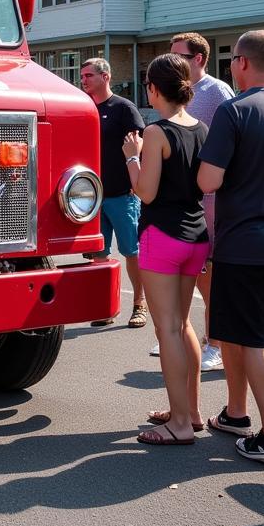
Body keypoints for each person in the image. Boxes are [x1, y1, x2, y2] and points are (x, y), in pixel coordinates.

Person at [123, 54, 209, 445]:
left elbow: (145, 192)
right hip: (196, 235)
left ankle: (178, 425)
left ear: (154, 89)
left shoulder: (157, 133)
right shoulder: (201, 127)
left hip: (163, 237)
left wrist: (132, 157)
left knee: (167, 328)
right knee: (185, 325)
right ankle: (189, 412)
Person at [198, 30, 264, 462]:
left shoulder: (234, 110)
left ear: (241, 62)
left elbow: (208, 180)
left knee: (253, 340)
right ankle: (235, 414)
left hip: (243, 241)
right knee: (241, 335)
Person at [156, 32, 234, 371]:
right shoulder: (178, 93)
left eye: (180, 55)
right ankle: (179, 336)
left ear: (199, 59)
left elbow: (232, 140)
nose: (174, 60)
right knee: (189, 276)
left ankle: (214, 343)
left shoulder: (217, 91)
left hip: (212, 199)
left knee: (209, 276)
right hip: (183, 201)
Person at [80, 57, 147, 327]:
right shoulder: (84, 108)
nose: (83, 80)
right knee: (99, 255)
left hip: (122, 194)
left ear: (105, 77)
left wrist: (136, 176)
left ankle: (139, 306)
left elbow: (138, 144)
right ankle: (106, 308)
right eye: (82, 76)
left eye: (89, 76)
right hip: (92, 198)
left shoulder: (123, 108)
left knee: (132, 251)